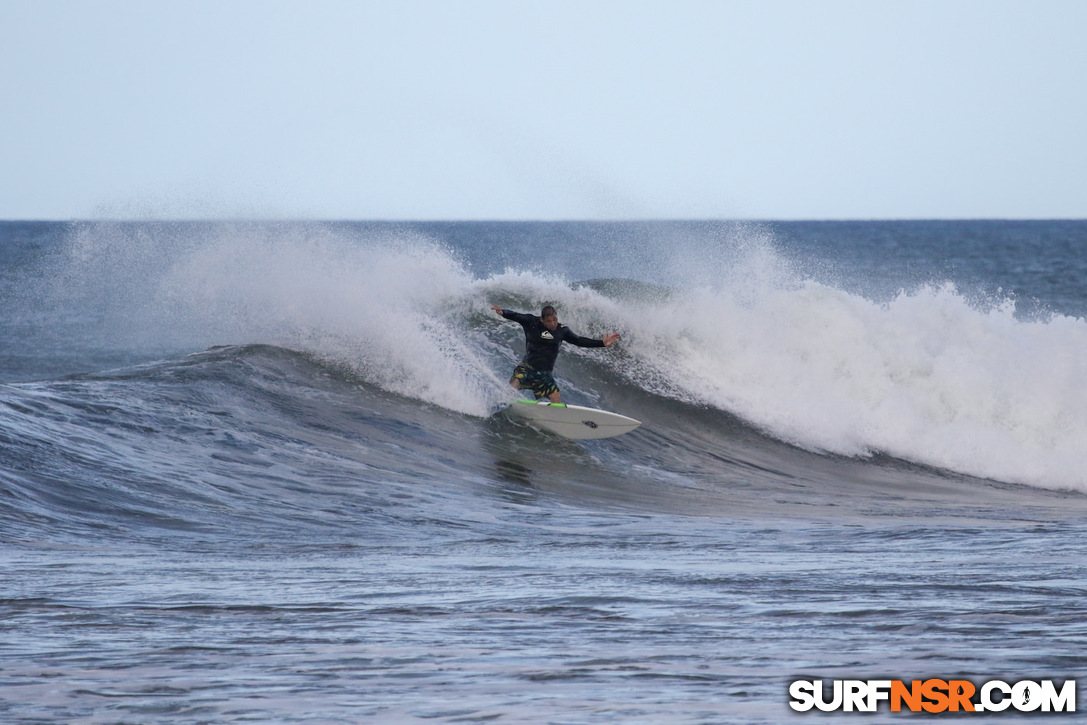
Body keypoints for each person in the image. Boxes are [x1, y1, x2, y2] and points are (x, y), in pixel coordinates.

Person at [490, 304, 620, 404]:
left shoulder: (562, 331)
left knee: (556, 397)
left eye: (555, 319)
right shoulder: (532, 322)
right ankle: (503, 402)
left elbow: (579, 340)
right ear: (542, 320)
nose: (553, 323)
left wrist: (601, 343)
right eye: (549, 321)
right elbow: (516, 315)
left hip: (545, 373)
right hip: (528, 367)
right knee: (516, 382)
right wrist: (503, 312)